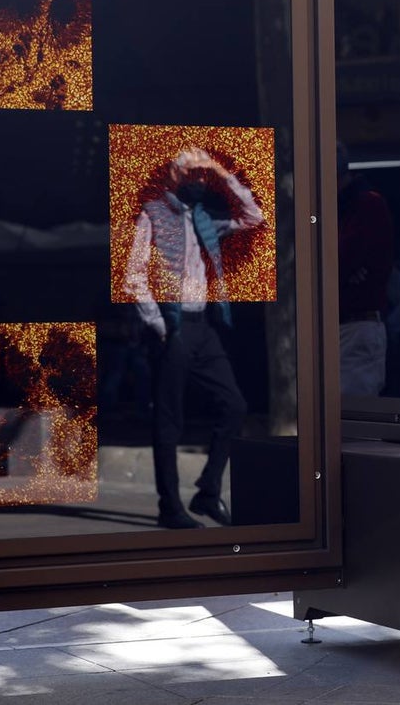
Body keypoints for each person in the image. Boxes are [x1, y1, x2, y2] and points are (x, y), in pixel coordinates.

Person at [123, 147, 265, 529]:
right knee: (169, 420)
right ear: (174, 175)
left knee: (234, 405)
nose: (201, 181)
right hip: (173, 328)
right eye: (195, 174)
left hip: (204, 326)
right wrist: (160, 325)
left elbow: (255, 216)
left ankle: (207, 491)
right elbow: (133, 277)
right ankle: (169, 507)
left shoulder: (203, 219)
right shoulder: (152, 213)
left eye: (205, 176)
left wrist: (223, 171)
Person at [337, 142, 394, 396]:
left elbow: (341, 260)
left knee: (351, 417)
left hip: (357, 324)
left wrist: (338, 269)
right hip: (341, 325)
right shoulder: (339, 208)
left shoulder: (367, 204)